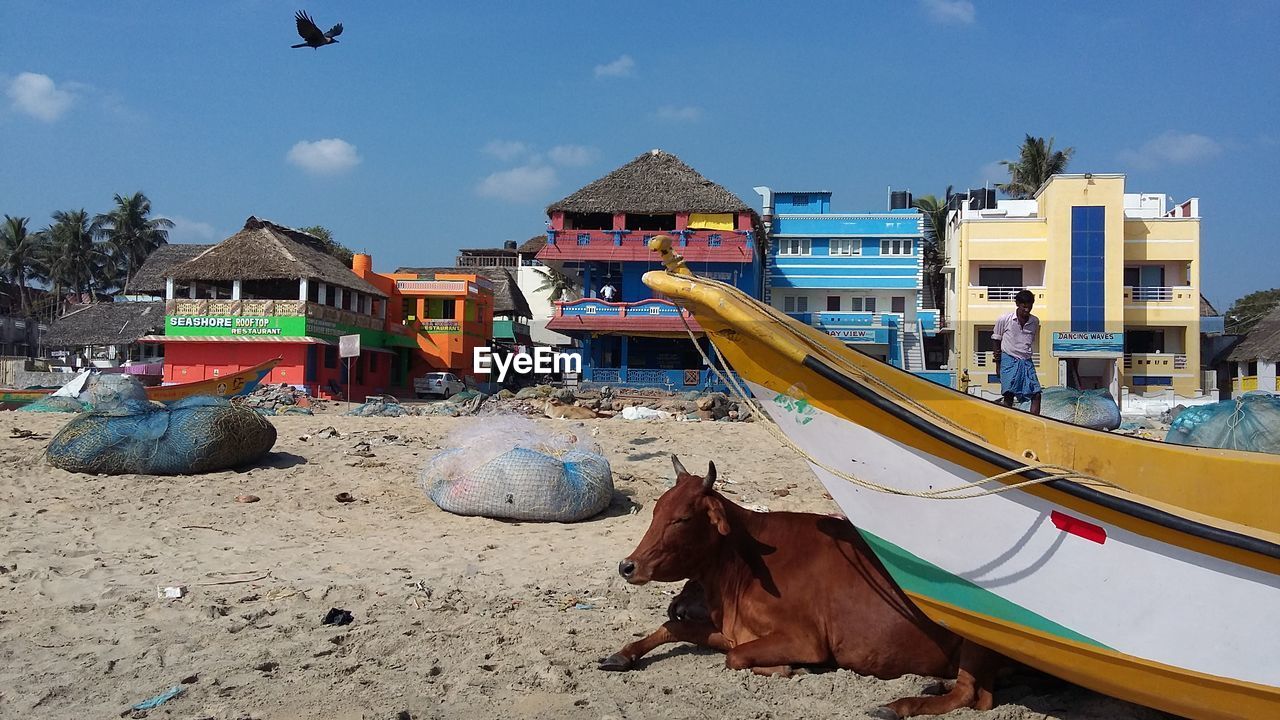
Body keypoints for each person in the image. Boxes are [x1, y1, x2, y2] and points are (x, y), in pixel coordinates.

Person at [991, 289, 1042, 415]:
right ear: (1017, 304)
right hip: (1008, 359)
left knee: (1036, 394)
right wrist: (998, 365)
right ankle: (1007, 421)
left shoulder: (1034, 321)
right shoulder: (1005, 319)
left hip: (1026, 360)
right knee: (1009, 394)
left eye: (1029, 306)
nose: (1027, 310)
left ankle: (1033, 422)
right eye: (1024, 306)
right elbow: (996, 339)